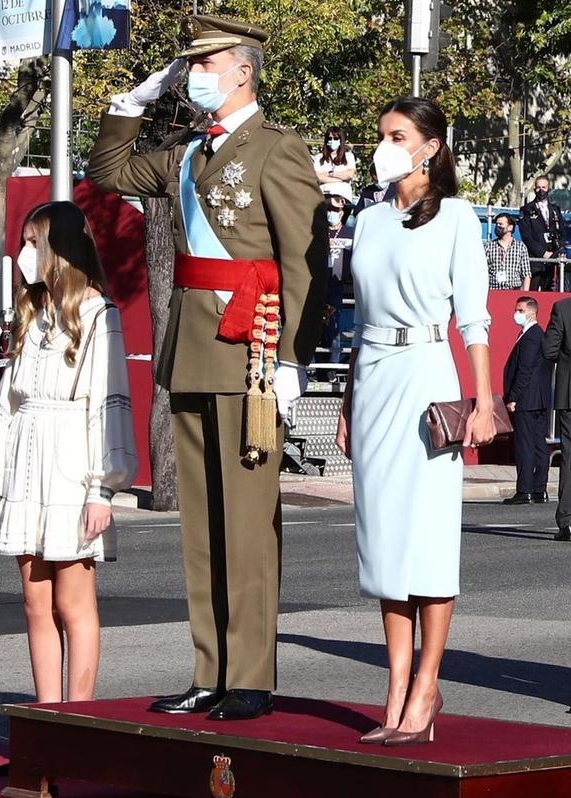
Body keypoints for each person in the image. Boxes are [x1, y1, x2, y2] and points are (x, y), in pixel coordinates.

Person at [87, 14, 327, 721]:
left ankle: (249, 674)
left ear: (243, 71)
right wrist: (131, 102)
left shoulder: (275, 150)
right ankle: (210, 669)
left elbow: (303, 265)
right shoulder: (190, 154)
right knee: (202, 526)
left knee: (247, 525)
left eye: (207, 62)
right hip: (193, 347)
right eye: (190, 64)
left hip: (249, 350)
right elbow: (109, 172)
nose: (195, 74)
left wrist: (292, 360)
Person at [336, 96, 494, 746]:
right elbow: (358, 322)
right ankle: (395, 686)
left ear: (430, 146)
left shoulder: (457, 217)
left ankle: (427, 685)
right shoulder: (368, 221)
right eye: (383, 135)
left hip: (429, 376)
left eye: (398, 135)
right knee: (382, 542)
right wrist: (347, 402)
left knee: (426, 536)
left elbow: (475, 318)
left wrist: (484, 401)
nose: (387, 145)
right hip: (373, 381)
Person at [0, 201, 138, 704]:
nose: (23, 252)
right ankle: (45, 725)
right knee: (35, 601)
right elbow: (10, 404)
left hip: (72, 462)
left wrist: (102, 489)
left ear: (58, 248)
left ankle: (78, 723)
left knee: (73, 601)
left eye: (32, 242)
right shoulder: (32, 311)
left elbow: (109, 404)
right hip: (27, 460)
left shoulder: (97, 313)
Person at [502, 297, 551, 505]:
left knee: (525, 445)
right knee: (539, 444)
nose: (516, 313)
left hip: (527, 399)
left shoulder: (531, 336)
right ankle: (539, 489)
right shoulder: (534, 335)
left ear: (531, 312)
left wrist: (513, 397)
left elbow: (525, 370)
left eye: (520, 310)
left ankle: (526, 490)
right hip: (538, 399)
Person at [542, 296, 571, 540]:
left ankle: (567, 521)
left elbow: (549, 349)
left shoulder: (562, 308)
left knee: (569, 459)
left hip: (569, 395)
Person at [320, 182, 355, 381]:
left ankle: (331, 371)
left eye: (334, 209)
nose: (330, 212)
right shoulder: (316, 234)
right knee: (317, 331)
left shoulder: (351, 235)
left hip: (339, 289)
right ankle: (317, 370)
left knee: (335, 332)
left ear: (343, 210)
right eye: (327, 209)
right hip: (317, 288)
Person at [518, 176, 566, 292]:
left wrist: (559, 250)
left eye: (544, 187)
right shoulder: (526, 209)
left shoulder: (555, 209)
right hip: (535, 259)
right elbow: (526, 237)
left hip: (553, 258)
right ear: (534, 189)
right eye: (538, 187)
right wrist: (542, 253)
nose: (541, 190)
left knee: (550, 291)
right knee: (532, 292)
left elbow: (561, 231)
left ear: (548, 188)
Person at [485, 213, 531, 291]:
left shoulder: (520, 247)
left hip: (514, 291)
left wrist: (525, 293)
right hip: (493, 291)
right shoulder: (489, 246)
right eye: (496, 224)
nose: (497, 226)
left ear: (510, 227)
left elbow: (526, 274)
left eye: (500, 224)